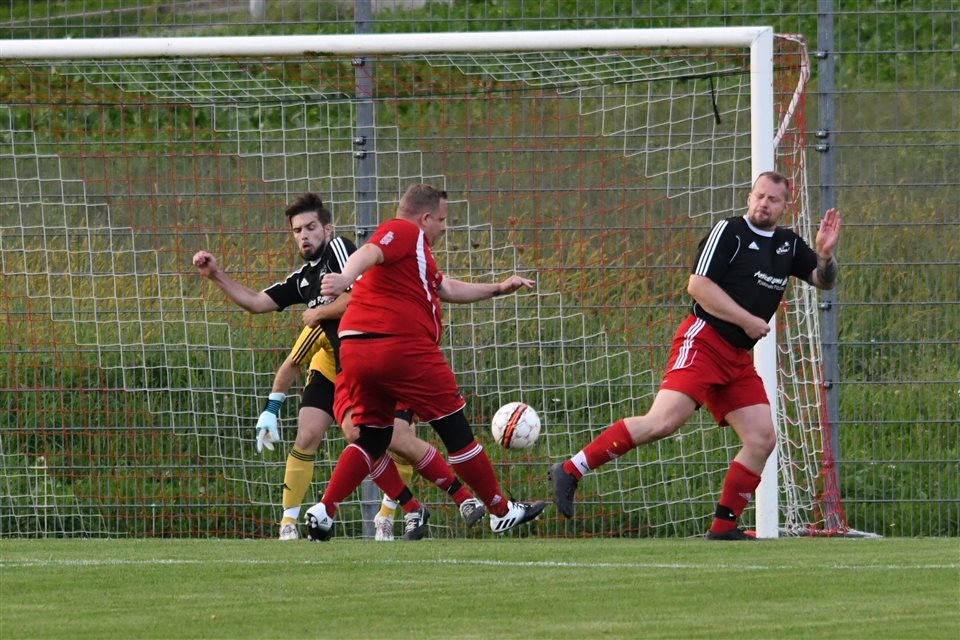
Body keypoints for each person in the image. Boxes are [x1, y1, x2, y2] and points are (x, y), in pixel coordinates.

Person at [550, 171, 840, 540]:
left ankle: (723, 528)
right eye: (759, 196)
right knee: (663, 422)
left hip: (737, 358)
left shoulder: (788, 244)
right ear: (749, 197)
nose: (763, 204)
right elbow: (698, 286)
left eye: (772, 199)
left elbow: (823, 281)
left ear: (786, 205)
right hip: (703, 341)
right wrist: (747, 320)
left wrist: (825, 255)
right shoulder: (730, 232)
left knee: (762, 439)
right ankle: (571, 469)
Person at [192, 192, 485, 540]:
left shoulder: (340, 251)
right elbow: (256, 302)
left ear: (328, 229)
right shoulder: (304, 278)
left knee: (397, 438)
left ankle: (458, 499)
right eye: (297, 230)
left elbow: (361, 294)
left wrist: (319, 312)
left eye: (311, 227)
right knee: (349, 435)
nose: (304, 236)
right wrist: (215, 275)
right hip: (351, 368)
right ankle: (403, 509)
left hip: (385, 355)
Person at [304, 183, 546, 541]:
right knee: (456, 431)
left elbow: (444, 288)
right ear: (425, 217)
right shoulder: (404, 231)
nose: (444, 228)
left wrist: (497, 288)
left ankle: (325, 509)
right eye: (442, 220)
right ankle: (500, 511)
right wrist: (344, 278)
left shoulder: (415, 259)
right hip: (401, 347)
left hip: (355, 349)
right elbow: (370, 250)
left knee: (372, 437)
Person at [256, 323, 485, 541]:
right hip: (331, 376)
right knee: (320, 435)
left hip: (384, 371)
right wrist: (271, 409)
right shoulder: (325, 320)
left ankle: (390, 514)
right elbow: (292, 360)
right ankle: (289, 521)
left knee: (400, 439)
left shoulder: (388, 313)